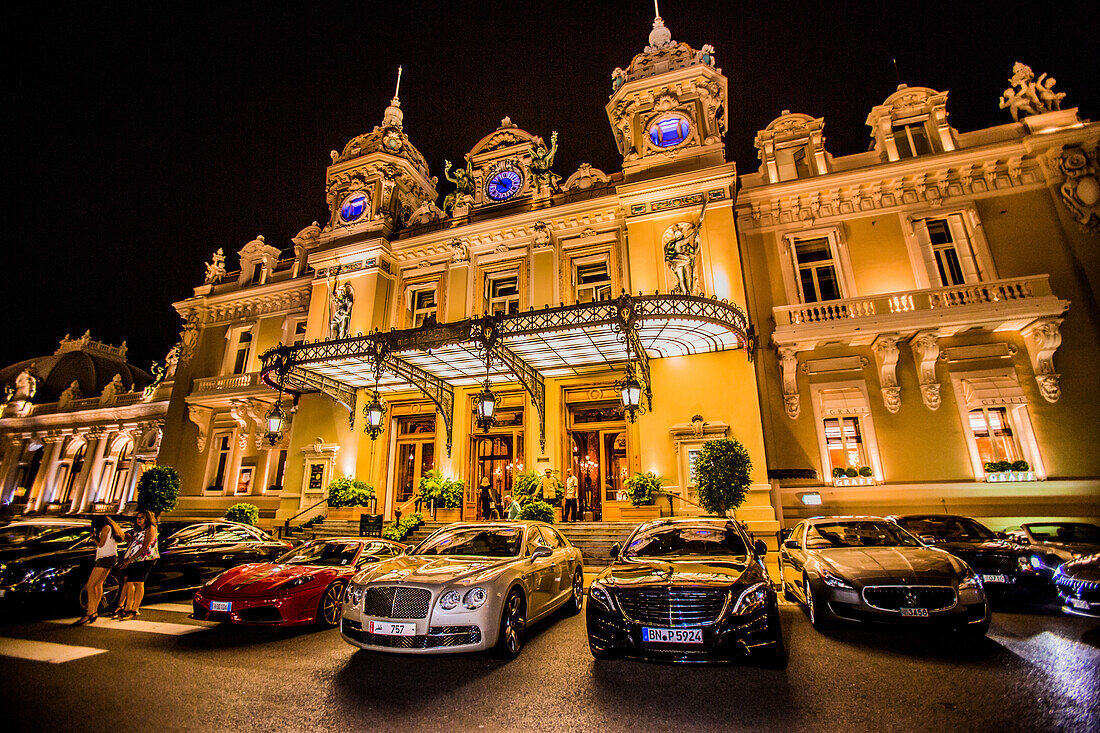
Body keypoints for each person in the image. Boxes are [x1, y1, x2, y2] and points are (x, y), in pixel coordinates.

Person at [74, 515, 125, 624]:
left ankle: (90, 612)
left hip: (105, 558)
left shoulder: (106, 528)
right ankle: (94, 611)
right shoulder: (110, 527)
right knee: (98, 584)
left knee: (90, 585)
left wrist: (94, 538)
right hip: (110, 557)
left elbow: (101, 544)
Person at [114, 510, 159, 619]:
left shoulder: (151, 528)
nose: (139, 519)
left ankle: (134, 609)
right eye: (138, 517)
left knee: (138, 583)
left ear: (147, 518)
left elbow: (145, 546)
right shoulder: (139, 530)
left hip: (146, 558)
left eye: (142, 517)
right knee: (130, 583)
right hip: (135, 559)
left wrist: (129, 560)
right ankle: (127, 607)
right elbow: (136, 544)